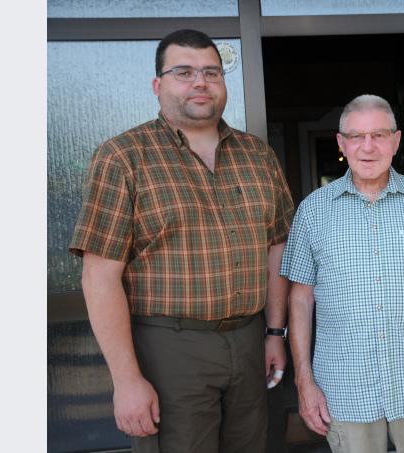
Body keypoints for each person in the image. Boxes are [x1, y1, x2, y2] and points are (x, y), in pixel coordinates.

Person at [69, 29, 294, 452]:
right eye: (184, 72)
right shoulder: (123, 157)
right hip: (169, 348)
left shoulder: (257, 155)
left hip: (249, 340)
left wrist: (274, 333)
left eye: (211, 72)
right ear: (158, 85)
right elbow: (99, 277)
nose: (200, 82)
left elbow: (278, 247)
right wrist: (127, 379)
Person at [280, 94, 404, 453]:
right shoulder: (312, 211)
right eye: (356, 136)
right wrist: (304, 381)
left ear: (396, 141)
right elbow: (300, 299)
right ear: (341, 143)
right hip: (345, 387)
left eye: (379, 135)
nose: (368, 146)